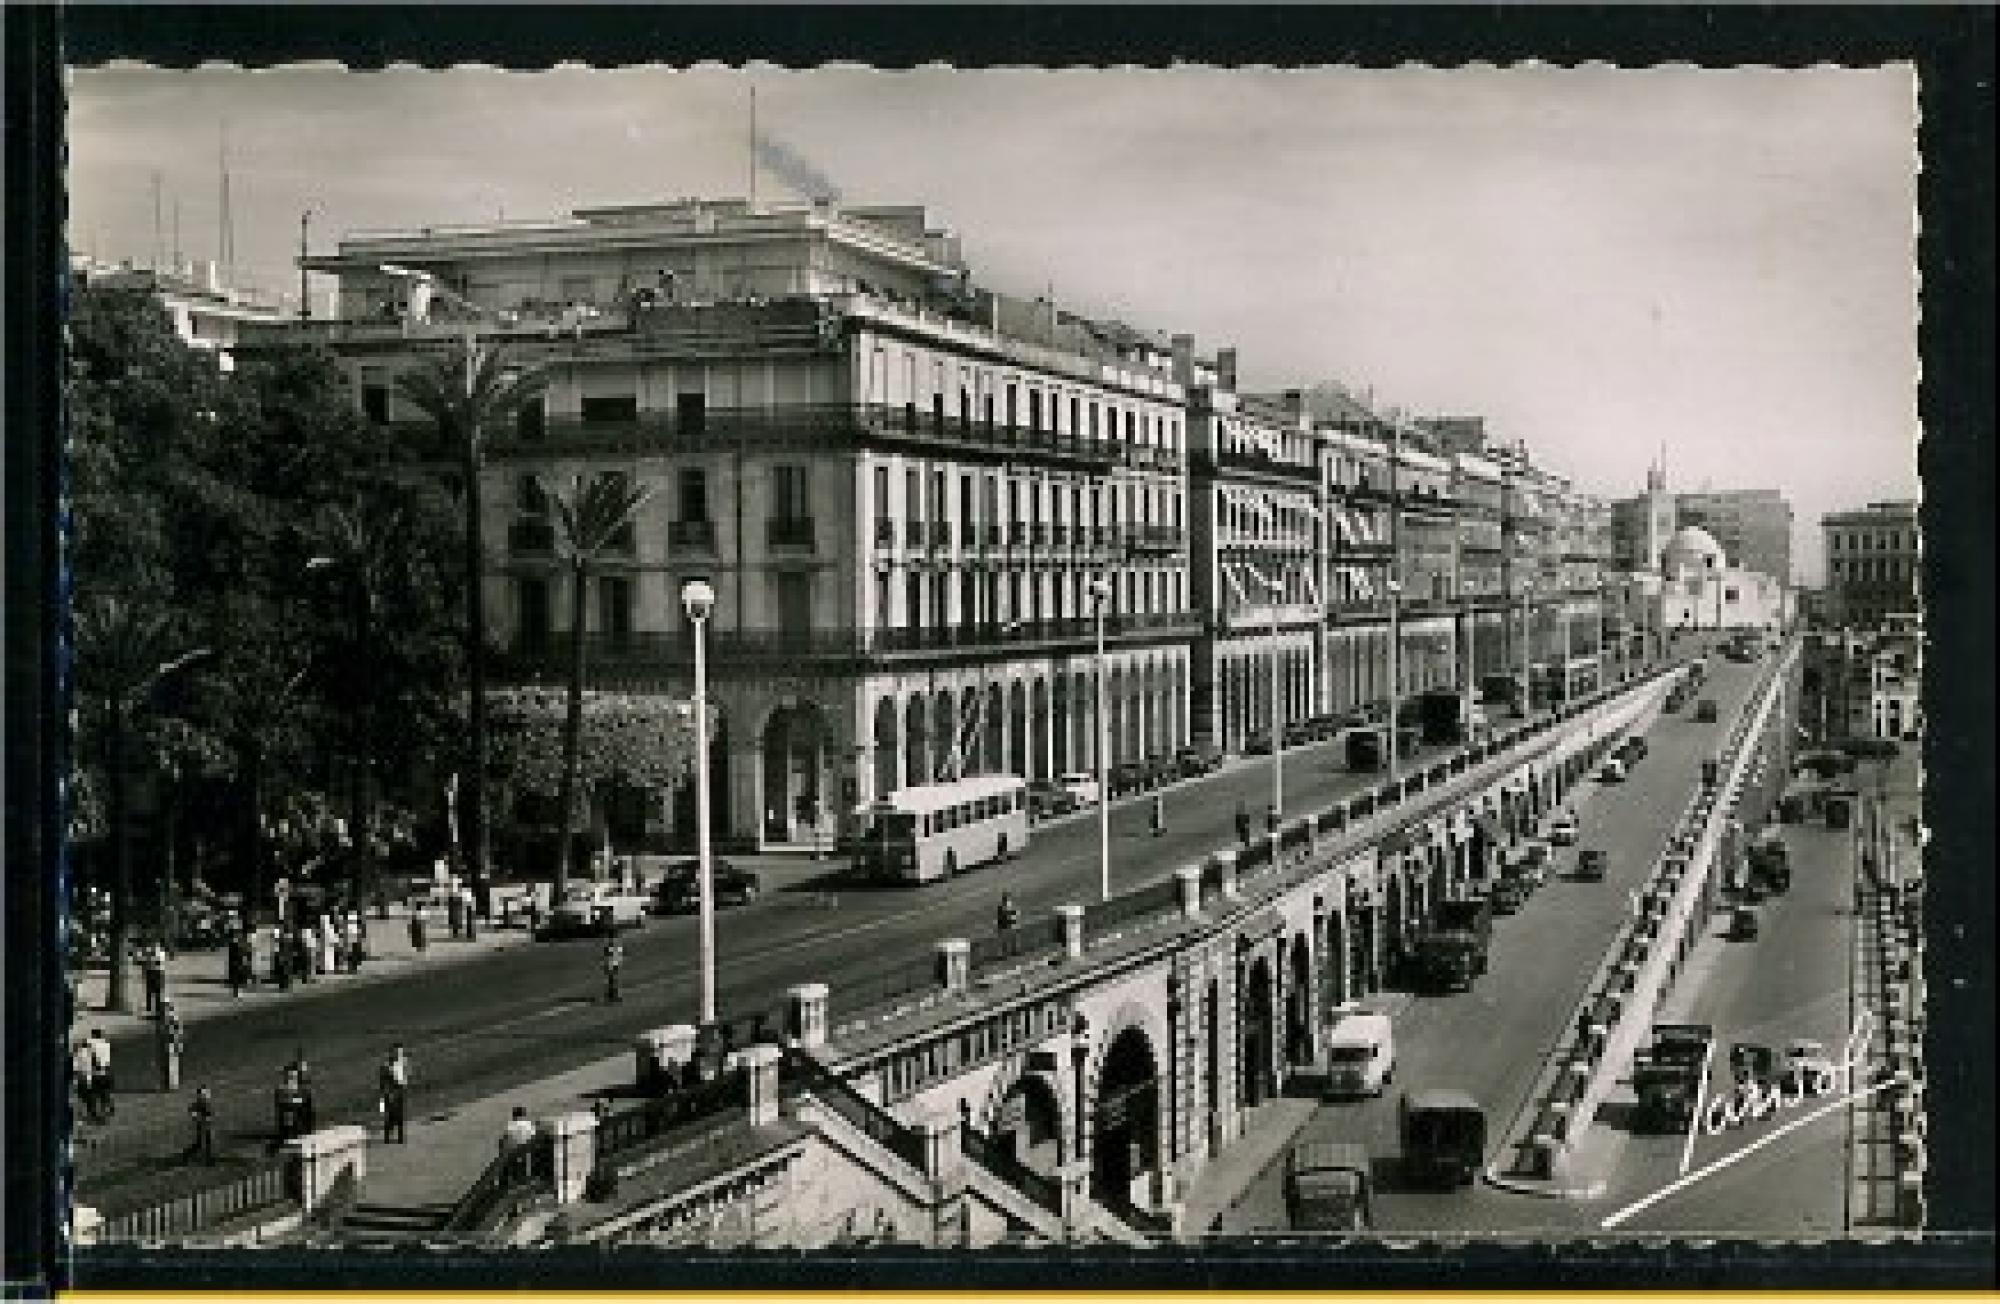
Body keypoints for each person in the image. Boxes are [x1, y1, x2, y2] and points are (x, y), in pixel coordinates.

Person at [378, 1044, 409, 1144]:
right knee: (390, 1115)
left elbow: (404, 1079)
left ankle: (399, 1136)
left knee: (399, 1115)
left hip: (398, 1091)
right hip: (390, 1091)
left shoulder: (402, 1063)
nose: (398, 1055)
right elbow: (383, 1081)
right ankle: (388, 1136)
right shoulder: (386, 1065)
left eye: (399, 1053)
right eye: (396, 1052)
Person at [85, 1028, 114, 1121]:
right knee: (104, 1093)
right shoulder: (105, 1044)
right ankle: (107, 1108)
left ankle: (96, 1113)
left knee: (93, 1093)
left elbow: (92, 1058)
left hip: (97, 1072)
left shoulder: (92, 1045)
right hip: (106, 1071)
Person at [157, 999, 185, 1091]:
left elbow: (177, 1032)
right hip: (166, 1043)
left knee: (172, 1064)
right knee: (165, 1064)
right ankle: (167, 1083)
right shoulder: (163, 1019)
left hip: (171, 1043)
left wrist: (178, 1043)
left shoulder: (173, 1019)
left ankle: (172, 1084)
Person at [186, 1084, 216, 1165]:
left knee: (206, 1142)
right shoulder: (199, 1103)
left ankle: (208, 1158)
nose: (206, 1095)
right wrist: (196, 1116)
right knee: (200, 1143)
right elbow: (192, 1110)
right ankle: (189, 1154)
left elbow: (210, 1112)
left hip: (206, 1125)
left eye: (206, 1094)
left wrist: (209, 1117)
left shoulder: (206, 1103)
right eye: (204, 1094)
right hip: (202, 1124)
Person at [142, 940, 168, 1017]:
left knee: (156, 992)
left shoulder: (158, 953)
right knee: (151, 992)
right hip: (152, 972)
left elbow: (159, 963)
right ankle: (151, 1009)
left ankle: (157, 1009)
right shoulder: (150, 952)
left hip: (156, 973)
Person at [602, 936, 624, 1004]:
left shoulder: (613, 945)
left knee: (612, 980)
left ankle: (612, 995)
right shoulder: (613, 945)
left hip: (613, 963)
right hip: (612, 964)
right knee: (613, 979)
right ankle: (612, 995)